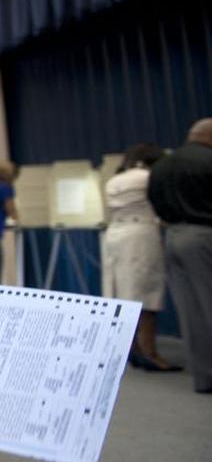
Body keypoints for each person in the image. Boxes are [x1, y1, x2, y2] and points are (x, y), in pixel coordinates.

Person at [102, 143, 180, 371]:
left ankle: (132, 348)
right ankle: (150, 352)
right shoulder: (147, 177)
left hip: (115, 234)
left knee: (123, 293)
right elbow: (162, 207)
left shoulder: (114, 180)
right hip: (141, 235)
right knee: (146, 293)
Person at [148, 118, 212, 393]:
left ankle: (204, 377)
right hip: (204, 235)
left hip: (173, 237)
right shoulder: (208, 160)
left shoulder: (162, 165)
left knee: (191, 312)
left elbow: (155, 201)